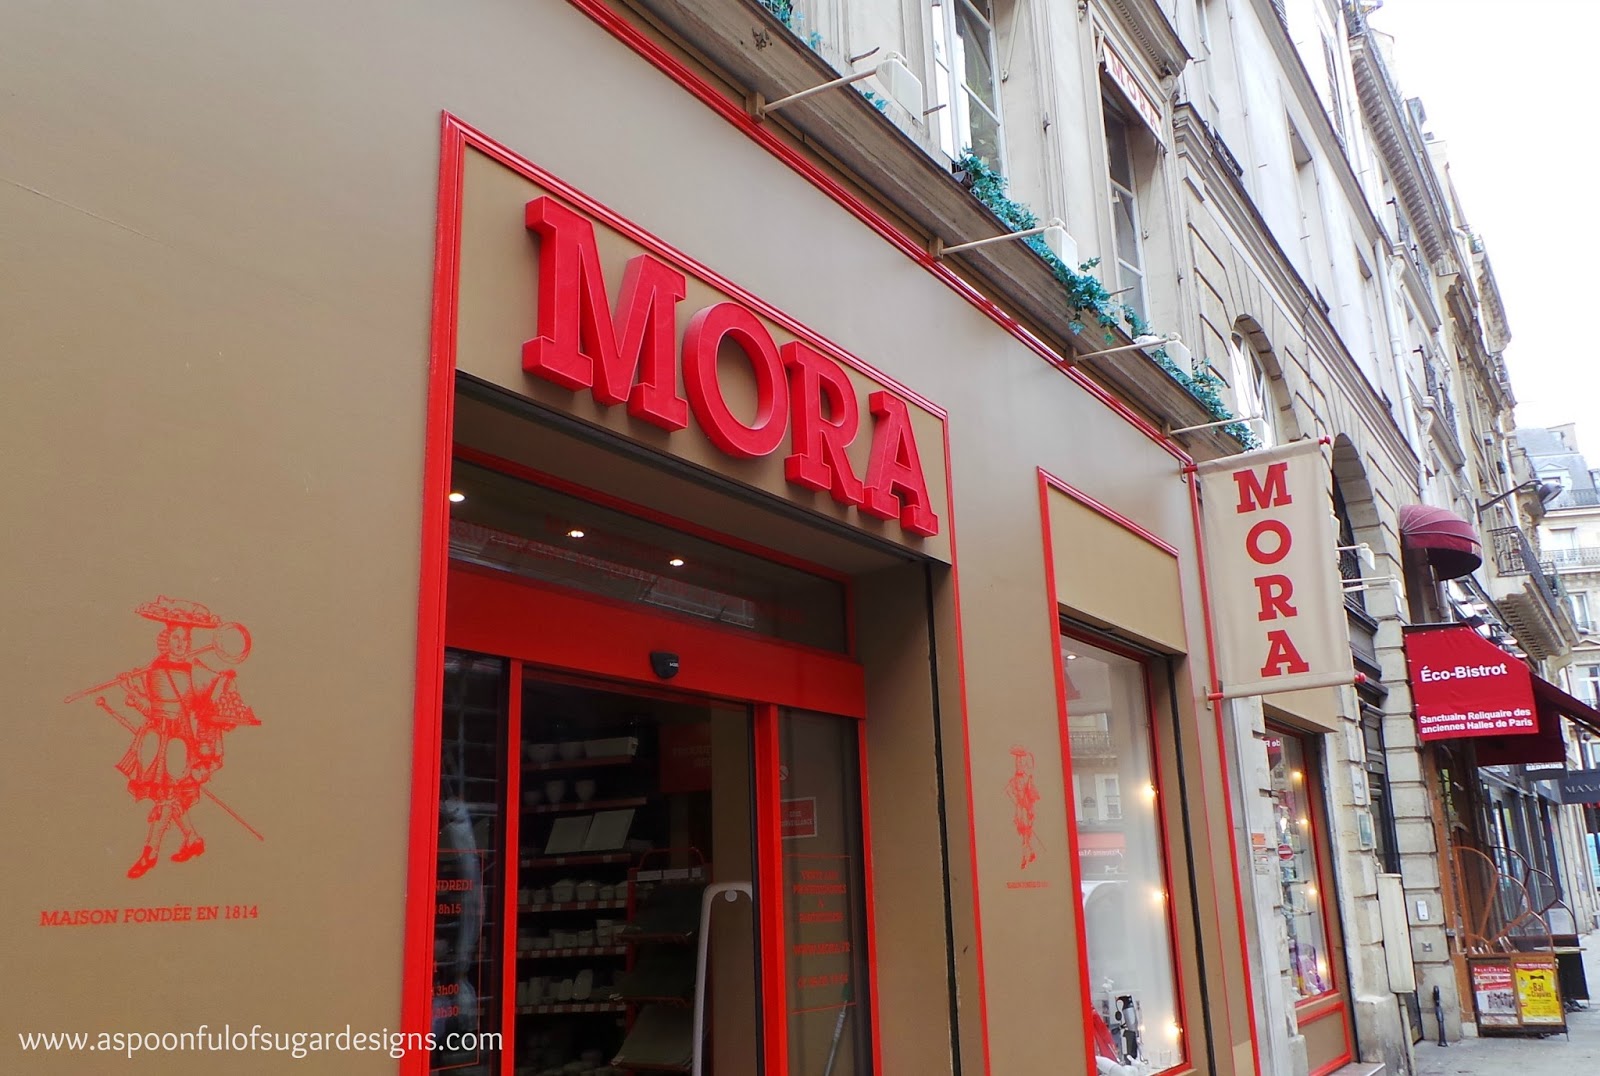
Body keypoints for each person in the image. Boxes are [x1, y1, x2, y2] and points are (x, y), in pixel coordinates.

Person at [105, 597, 258, 878]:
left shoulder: (195, 670)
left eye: (185, 639)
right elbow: (152, 707)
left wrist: (223, 679)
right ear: (166, 639)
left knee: (167, 798)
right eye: (176, 638)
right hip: (155, 739)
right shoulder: (153, 669)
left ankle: (149, 852)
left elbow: (214, 694)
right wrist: (132, 691)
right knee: (169, 796)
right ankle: (192, 839)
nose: (181, 644)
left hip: (180, 740)